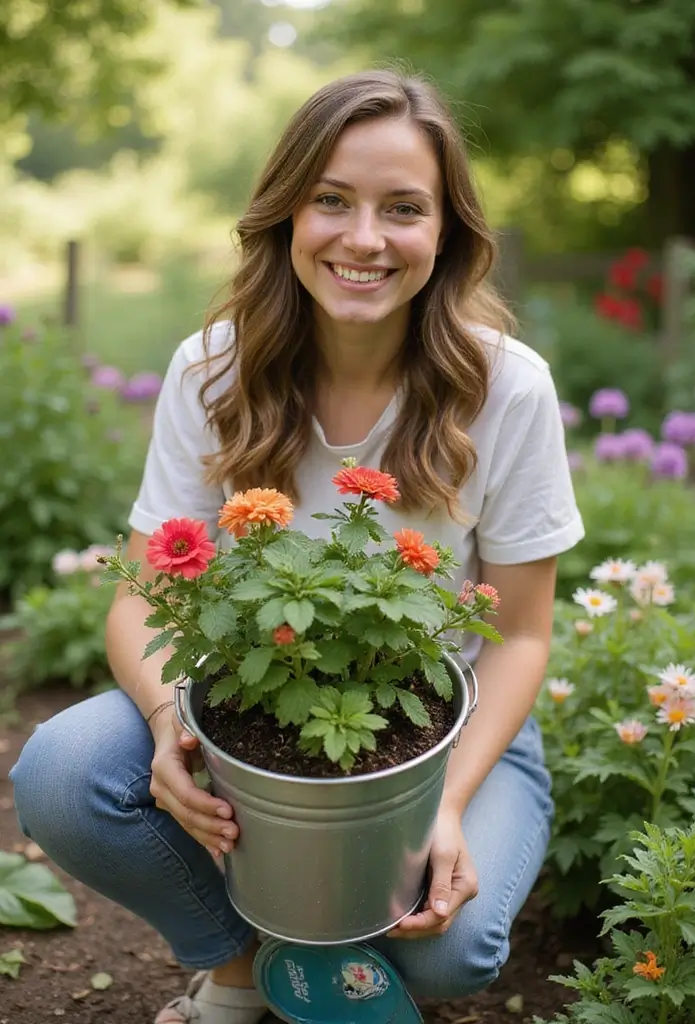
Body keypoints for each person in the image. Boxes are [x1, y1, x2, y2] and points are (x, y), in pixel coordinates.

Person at [11, 69, 584, 1024]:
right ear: (286, 215)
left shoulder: (507, 389)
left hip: (443, 726)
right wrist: (164, 724)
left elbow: (521, 636)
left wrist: (442, 808)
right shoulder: (216, 368)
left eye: (403, 208)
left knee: (452, 950)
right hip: (247, 710)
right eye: (332, 201)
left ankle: (332, 927)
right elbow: (140, 594)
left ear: (446, 234)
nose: (364, 239)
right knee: (65, 775)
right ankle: (242, 964)